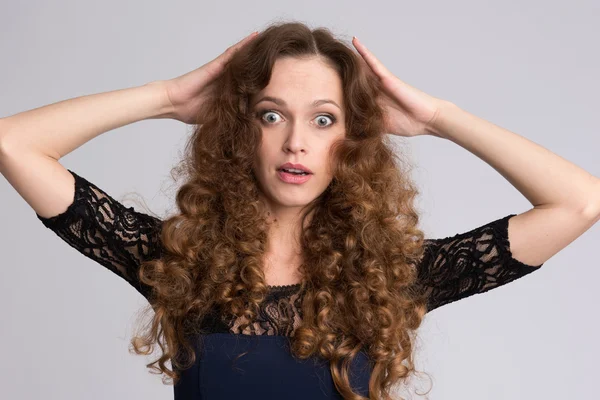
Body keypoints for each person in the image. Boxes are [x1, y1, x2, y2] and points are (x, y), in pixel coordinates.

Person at [1, 22, 598, 400]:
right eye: (270, 114)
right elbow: (13, 144)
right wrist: (167, 97)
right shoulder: (178, 265)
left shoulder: (389, 276)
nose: (296, 142)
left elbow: (579, 201)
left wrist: (437, 118)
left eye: (323, 118)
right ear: (242, 130)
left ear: (352, 137)